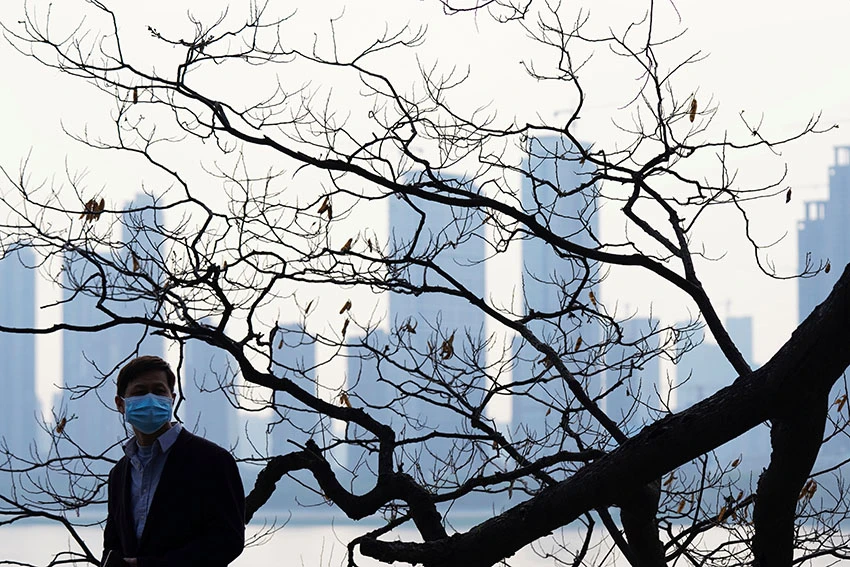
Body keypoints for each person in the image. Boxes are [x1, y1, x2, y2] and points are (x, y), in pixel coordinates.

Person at [101, 355, 245, 566]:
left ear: (172, 399)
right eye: (140, 392)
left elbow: (228, 540)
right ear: (120, 404)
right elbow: (112, 545)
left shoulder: (212, 461)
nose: (150, 399)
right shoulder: (119, 473)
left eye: (159, 391)